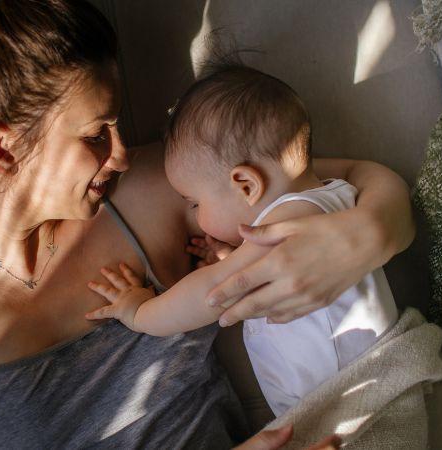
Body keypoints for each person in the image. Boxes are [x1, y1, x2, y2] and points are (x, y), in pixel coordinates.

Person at [0, 0, 415, 448]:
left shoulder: (151, 186)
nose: (119, 154)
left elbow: (349, 183)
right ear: (0, 148)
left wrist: (362, 238)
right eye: (95, 135)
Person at [86, 64, 399, 417]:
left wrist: (139, 311)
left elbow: (210, 294)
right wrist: (233, 257)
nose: (195, 214)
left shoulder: (290, 228)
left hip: (353, 410)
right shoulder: (338, 195)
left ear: (246, 185)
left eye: (195, 203)